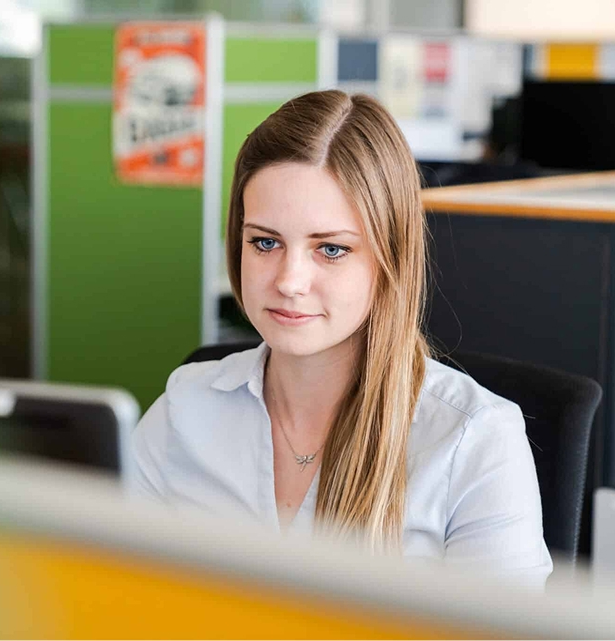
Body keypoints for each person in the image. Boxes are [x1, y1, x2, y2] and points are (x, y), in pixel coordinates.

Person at [128, 89, 552, 587]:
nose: (289, 280)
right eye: (265, 242)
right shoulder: (186, 408)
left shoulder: (473, 441)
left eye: (330, 249)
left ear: (389, 258)